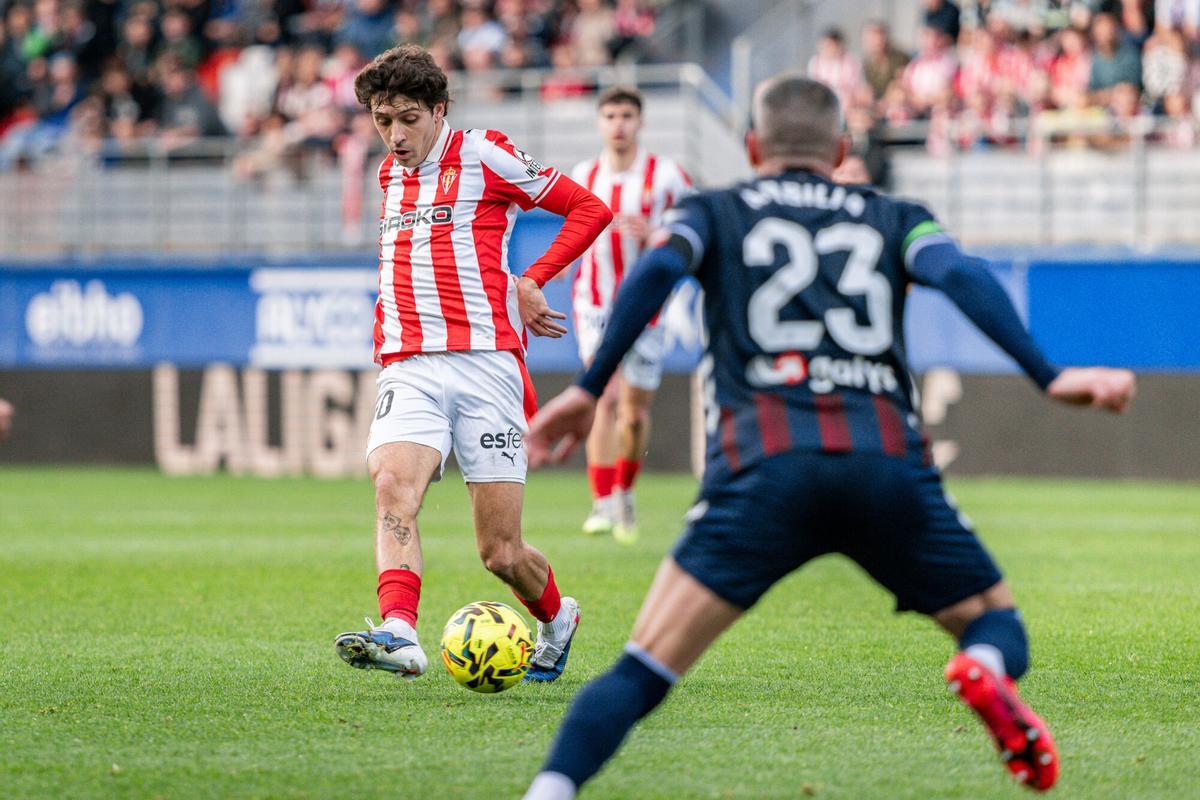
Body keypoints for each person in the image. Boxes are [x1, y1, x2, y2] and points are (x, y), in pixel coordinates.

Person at [521, 74, 1137, 798]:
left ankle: (550, 792)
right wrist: (1048, 374)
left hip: (763, 468)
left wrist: (590, 388)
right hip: (884, 463)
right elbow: (960, 273)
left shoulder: (714, 209)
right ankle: (985, 673)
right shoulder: (895, 215)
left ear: (753, 147)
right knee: (997, 627)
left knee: (641, 669)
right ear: (841, 147)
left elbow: (658, 265)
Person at [333, 45, 613, 683]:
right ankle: (399, 631)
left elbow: (589, 209)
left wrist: (531, 278)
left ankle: (557, 616)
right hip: (409, 363)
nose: (395, 135)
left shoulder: (483, 152)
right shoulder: (387, 176)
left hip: (486, 367)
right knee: (391, 490)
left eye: (407, 118)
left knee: (500, 552)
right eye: (382, 120)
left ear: (439, 110)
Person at [570, 86, 692, 544]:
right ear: (600, 123)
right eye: (610, 115)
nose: (618, 124)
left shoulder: (667, 176)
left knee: (634, 412)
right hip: (596, 303)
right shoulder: (585, 173)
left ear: (639, 122)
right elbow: (574, 227)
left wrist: (658, 232)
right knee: (602, 394)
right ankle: (601, 503)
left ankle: (625, 489)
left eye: (626, 115)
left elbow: (693, 224)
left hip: (648, 307)